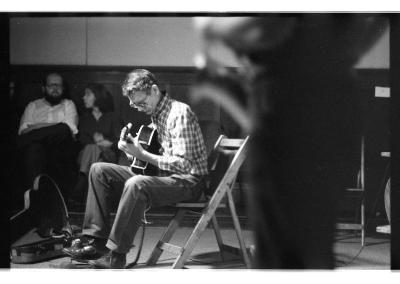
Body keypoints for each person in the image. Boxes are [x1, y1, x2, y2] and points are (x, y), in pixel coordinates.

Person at [63, 69, 208, 269]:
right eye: (134, 104)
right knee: (98, 170)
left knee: (137, 184)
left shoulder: (179, 113)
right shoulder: (157, 113)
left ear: (155, 90)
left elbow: (184, 165)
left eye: (141, 103)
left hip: (188, 183)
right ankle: (96, 243)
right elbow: (154, 156)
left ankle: (116, 255)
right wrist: (131, 152)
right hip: (165, 176)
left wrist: (143, 155)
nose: (138, 108)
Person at [17, 72, 78, 200]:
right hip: (37, 147)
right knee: (34, 149)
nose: (55, 88)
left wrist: (36, 127)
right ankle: (34, 199)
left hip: (61, 148)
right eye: (51, 85)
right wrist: (54, 127)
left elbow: (70, 128)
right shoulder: (33, 105)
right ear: (44, 88)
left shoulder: (68, 104)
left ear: (63, 88)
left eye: (59, 85)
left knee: (63, 129)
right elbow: (23, 131)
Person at [69, 84, 119, 205]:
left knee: (94, 149)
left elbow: (120, 140)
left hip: (108, 154)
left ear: (98, 97)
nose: (83, 97)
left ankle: (82, 180)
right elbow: (81, 140)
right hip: (85, 155)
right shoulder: (85, 118)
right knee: (92, 148)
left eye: (88, 94)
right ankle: (96, 196)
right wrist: (97, 142)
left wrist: (108, 142)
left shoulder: (113, 117)